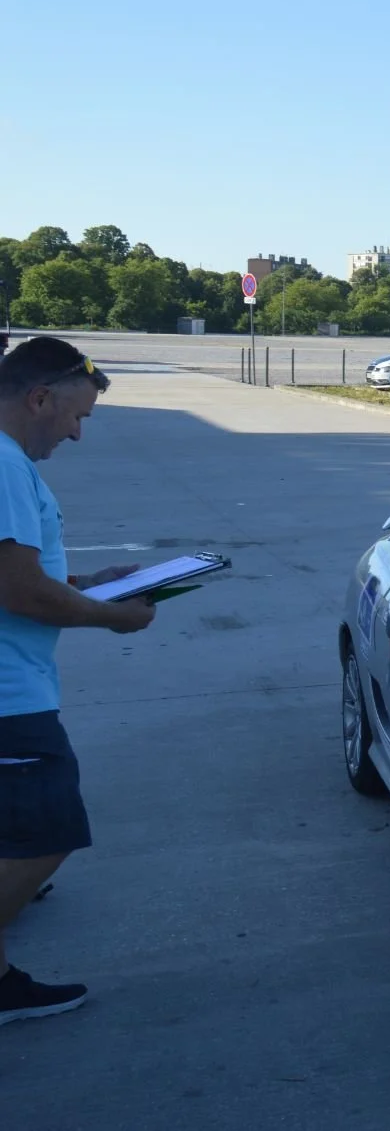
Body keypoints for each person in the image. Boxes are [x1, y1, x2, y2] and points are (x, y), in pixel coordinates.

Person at [0, 338, 157, 1027]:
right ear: (38, 398)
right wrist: (109, 618)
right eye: (75, 415)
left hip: (17, 685)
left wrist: (90, 583)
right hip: (9, 695)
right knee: (45, 831)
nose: (76, 431)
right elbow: (19, 591)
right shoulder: (3, 465)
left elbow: (28, 576)